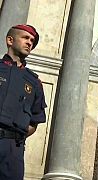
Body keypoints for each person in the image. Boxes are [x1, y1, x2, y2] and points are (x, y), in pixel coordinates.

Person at [0, 24, 47, 180]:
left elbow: (35, 120)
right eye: (25, 38)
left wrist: (14, 137)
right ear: (10, 40)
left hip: (13, 149)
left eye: (32, 40)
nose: (29, 43)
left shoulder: (34, 82)